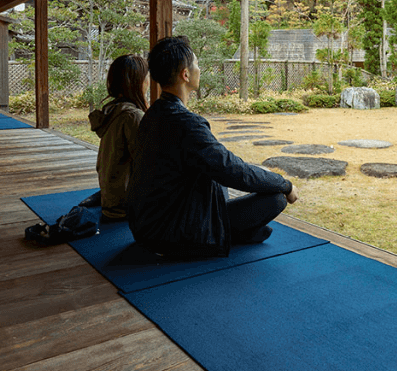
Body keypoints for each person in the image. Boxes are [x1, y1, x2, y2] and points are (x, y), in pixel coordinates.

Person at [128, 36, 298, 258]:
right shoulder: (186, 124)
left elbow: (222, 166)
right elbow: (234, 171)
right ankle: (230, 234)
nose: (199, 69)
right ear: (185, 74)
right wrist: (285, 184)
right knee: (274, 199)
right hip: (170, 235)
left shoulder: (153, 115)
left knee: (216, 178)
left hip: (145, 226)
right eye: (196, 64)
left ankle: (237, 231)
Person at [88, 54, 149, 221]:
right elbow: (148, 164)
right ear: (138, 81)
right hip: (124, 207)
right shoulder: (132, 116)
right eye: (147, 76)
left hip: (111, 199)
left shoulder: (113, 110)